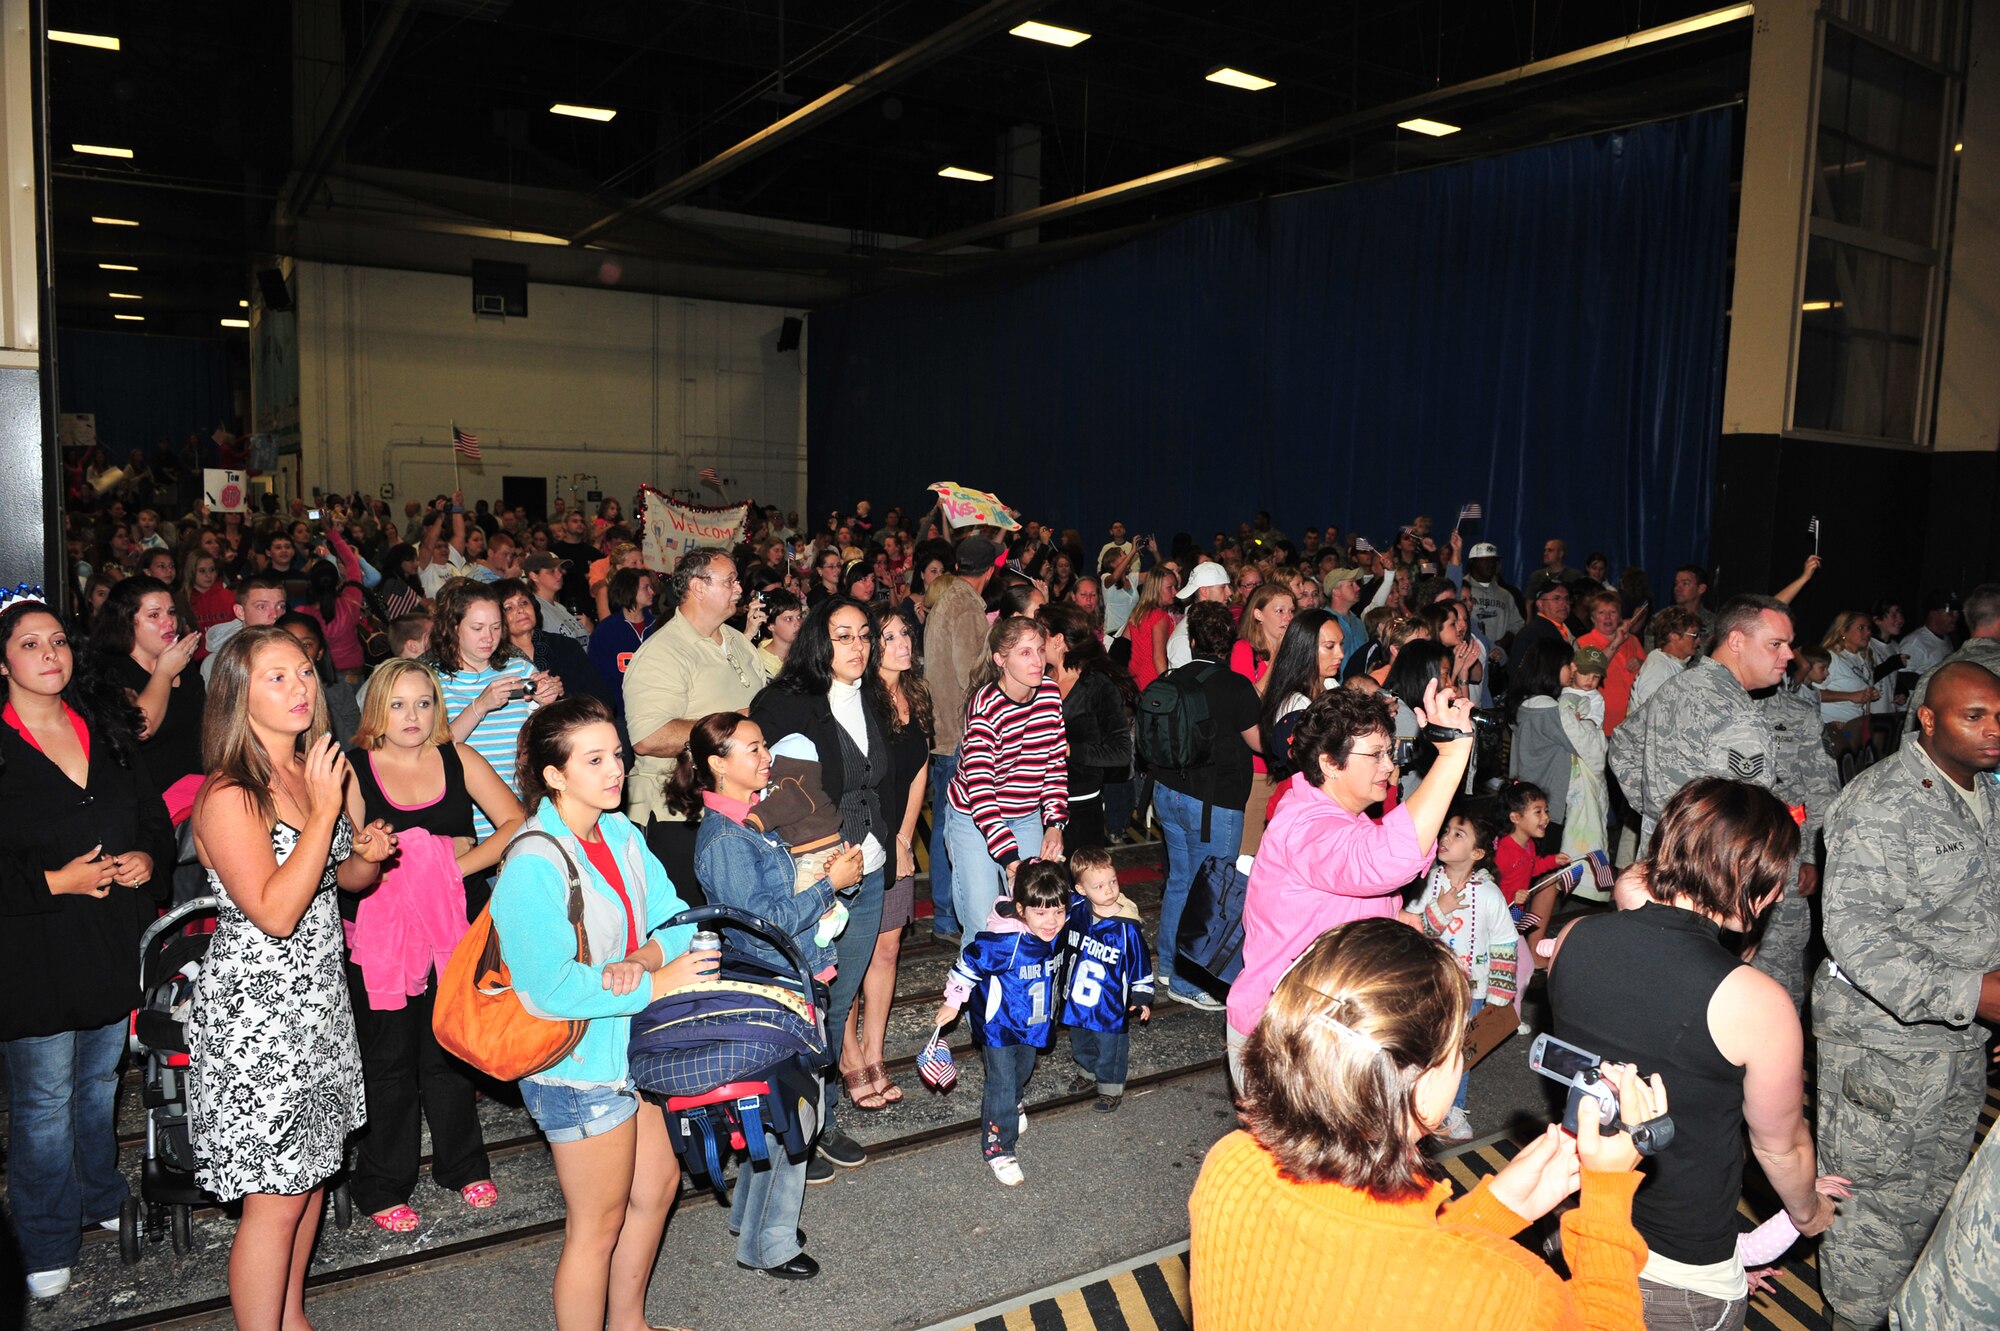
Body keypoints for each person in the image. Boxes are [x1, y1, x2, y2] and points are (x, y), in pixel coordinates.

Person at [1190, 917, 1661, 1331]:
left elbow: (1370, 1271)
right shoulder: (1516, 1294)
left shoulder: (1231, 1166)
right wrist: (1606, 1197)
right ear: (1423, 1084)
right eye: (1458, 1046)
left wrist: (1497, 1207)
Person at [1549, 778, 1838, 1330]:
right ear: (1744, 872)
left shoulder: (1574, 937)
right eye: (1774, 878)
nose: (1779, 896)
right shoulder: (1757, 1000)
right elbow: (1780, 1148)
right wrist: (1809, 1213)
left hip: (1587, 1221)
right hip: (1680, 1272)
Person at [186, 627, 398, 1331]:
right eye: (275, 677)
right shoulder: (230, 792)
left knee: (309, 1186)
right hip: (260, 1015)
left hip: (319, 1003)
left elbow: (340, 881)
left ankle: (291, 1317)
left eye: (304, 671)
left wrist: (366, 852)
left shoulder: (312, 768)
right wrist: (330, 813)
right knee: (274, 1202)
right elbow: (276, 912)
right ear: (238, 696)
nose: (300, 686)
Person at [491, 696, 710, 1331]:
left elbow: (676, 916)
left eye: (616, 754)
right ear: (553, 775)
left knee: (656, 1189)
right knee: (596, 1226)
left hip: (631, 1047)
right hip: (576, 1066)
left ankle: (629, 1323)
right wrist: (653, 984)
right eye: (594, 760)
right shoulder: (533, 861)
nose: (616, 769)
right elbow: (547, 989)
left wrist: (643, 959)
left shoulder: (619, 832)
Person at [1812, 661, 2000, 1330]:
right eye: (1974, 716)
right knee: (1871, 1211)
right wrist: (1973, 993)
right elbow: (1857, 939)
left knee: (1939, 1196)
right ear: (1928, 719)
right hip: (1884, 1049)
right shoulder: (1879, 802)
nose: (1993, 730)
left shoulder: (1987, 793)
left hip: (1961, 1043)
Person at [0, 601, 174, 1300]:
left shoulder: (103, 727)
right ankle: (43, 1236)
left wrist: (146, 857)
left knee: (100, 1083)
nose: (50, 654)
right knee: (43, 1100)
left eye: (58, 641)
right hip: (31, 950)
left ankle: (98, 1192)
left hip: (107, 939)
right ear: (2, 662)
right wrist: (53, 880)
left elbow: (153, 819)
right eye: (29, 644)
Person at [672, 713, 857, 1278]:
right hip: (776, 988)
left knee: (778, 1115)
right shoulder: (728, 838)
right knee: (795, 1116)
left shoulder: (749, 820)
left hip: (788, 981)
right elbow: (763, 925)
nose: (766, 757)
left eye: (763, 746)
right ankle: (769, 1246)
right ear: (717, 764)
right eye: (752, 749)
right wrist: (828, 885)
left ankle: (750, 1224)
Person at [342, 658, 523, 1232]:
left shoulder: (458, 757)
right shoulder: (353, 769)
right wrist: (410, 861)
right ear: (376, 709)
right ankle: (382, 1184)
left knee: (450, 1050)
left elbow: (516, 822)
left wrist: (452, 868)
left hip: (452, 927)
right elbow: (346, 859)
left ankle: (462, 1165)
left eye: (424, 703)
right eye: (398, 704)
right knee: (388, 1061)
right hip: (382, 933)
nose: (412, 716)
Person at [1225, 673, 1477, 1081]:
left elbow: (1342, 898)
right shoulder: (1306, 827)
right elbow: (1384, 860)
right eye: (1375, 755)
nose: (1389, 766)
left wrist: (1393, 922)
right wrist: (1450, 757)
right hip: (1287, 1040)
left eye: (1389, 752)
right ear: (1329, 763)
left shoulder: (1336, 814)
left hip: (1323, 1028)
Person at [748, 596, 895, 1171]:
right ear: (817, 640)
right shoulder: (784, 703)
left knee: (837, 1004)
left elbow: (881, 778)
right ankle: (796, 1131)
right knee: (804, 1006)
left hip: (869, 868)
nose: (857, 646)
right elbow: (761, 787)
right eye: (843, 635)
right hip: (813, 879)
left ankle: (822, 1121)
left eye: (864, 635)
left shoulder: (872, 695)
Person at [621, 546, 769, 900]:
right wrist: (733, 726)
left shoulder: (736, 640)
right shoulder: (663, 652)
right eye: (730, 581)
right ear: (698, 587)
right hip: (680, 816)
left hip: (738, 809)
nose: (739, 589)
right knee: (691, 924)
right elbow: (648, 737)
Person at [1145, 602, 1260, 1012]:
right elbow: (1259, 742)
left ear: (1192, 640)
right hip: (1214, 804)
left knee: (1180, 880)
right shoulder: (1236, 686)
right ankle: (1187, 982)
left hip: (1167, 793)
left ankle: (1167, 965)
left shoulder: (1173, 678)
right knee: (1210, 892)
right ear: (1230, 644)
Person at [1609, 594, 1794, 849]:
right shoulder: (1739, 714)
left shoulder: (1677, 685)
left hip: (1660, 855)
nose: (1789, 654)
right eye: (1776, 644)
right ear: (1736, 641)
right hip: (1708, 865)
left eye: (1788, 644)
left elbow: (1622, 743)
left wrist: (1658, 811)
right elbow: (1748, 824)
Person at [936, 860, 1071, 1187]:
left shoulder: (1057, 930)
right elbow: (970, 961)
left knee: (1022, 1071)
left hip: (1033, 1021)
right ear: (1021, 910)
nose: (1051, 921)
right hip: (1000, 1025)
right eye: (1041, 912)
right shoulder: (1006, 943)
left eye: (1058, 911)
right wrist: (953, 1000)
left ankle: (1012, 1101)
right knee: (1001, 1082)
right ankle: (999, 1148)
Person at [942, 613, 1068, 943]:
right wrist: (1011, 859)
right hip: (974, 819)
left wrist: (1055, 823)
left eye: (1039, 650)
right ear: (1001, 660)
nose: (1038, 661)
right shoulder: (985, 707)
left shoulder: (1050, 695)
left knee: (1036, 915)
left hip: (1025, 814)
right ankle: (976, 979)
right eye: (1025, 653)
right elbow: (981, 792)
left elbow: (1055, 764)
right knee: (983, 926)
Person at [853, 602, 932, 1103]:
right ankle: (849, 1056)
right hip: (859, 840)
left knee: (886, 949)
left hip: (897, 840)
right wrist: (884, 841)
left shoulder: (915, 693)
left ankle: (875, 1052)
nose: (903, 643)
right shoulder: (857, 698)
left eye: (906, 633)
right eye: (890, 636)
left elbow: (920, 767)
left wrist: (904, 839)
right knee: (850, 953)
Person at [1410, 807, 1519, 1141]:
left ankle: (1453, 1107)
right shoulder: (1427, 882)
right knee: (1422, 1044)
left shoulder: (1488, 894)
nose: (1445, 838)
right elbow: (1413, 929)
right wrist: (1439, 910)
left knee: (1460, 1052)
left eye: (1458, 835)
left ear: (1477, 853)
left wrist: (1500, 991)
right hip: (1429, 985)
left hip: (1472, 990)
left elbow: (1505, 940)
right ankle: (1415, 1100)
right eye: (1446, 831)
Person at [430, 580, 562, 839]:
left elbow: (550, 742)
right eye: (477, 628)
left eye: (496, 627)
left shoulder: (520, 670)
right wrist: (480, 706)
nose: (489, 637)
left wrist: (547, 704)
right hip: (466, 825)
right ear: (453, 627)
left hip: (527, 815)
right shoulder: (433, 681)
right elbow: (432, 754)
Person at [1753, 645, 1840, 1012]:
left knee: (1781, 960)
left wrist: (1812, 858)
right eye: (1774, 645)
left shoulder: (1799, 715)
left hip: (1783, 858)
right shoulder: (1710, 706)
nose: (1785, 655)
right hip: (1718, 857)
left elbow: (1822, 791)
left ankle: (1781, 1039)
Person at [94, 574, 206, 801]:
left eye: (171, 612)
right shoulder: (108, 669)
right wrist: (164, 673)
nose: (169, 622)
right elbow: (141, 729)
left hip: (197, 792)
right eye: (154, 615)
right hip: (148, 801)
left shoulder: (182, 663)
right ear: (126, 621)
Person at [1059, 845, 1152, 1112]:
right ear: (1081, 889)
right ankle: (1087, 1071)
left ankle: (1111, 1087)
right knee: (1081, 1039)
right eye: (1099, 886)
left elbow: (1139, 963)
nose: (1109, 890)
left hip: (1109, 1003)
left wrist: (1142, 996)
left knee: (1111, 1047)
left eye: (1112, 881)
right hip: (1077, 997)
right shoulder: (1077, 909)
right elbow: (1054, 896)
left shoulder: (1126, 927)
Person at [1038, 601, 1132, 851]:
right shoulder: (1037, 680)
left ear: (1058, 639)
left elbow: (1121, 752)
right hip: (1036, 805)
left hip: (1080, 807)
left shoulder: (1096, 685)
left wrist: (1068, 749)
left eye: (1040, 632)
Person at [1230, 583, 1295, 852]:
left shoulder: (1294, 653)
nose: (1287, 617)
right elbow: (1248, 702)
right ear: (1258, 614)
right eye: (1279, 611)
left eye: (1291, 611)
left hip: (1289, 766)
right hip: (1256, 767)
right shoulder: (1244, 650)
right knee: (1250, 850)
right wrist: (1277, 657)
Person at [1258, 608, 1344, 781]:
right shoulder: (1294, 705)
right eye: (1330, 646)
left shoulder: (1331, 685)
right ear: (1305, 648)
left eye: (1341, 644)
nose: (1340, 654)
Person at [1901, 584, 2000, 731]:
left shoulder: (1947, 646)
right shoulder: (1915, 644)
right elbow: (1902, 679)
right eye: (1950, 610)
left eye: (1957, 611)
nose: (1955, 616)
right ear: (1933, 613)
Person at [587, 566, 654, 712]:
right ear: (630, 590)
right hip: (620, 711)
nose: (652, 592)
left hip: (657, 708)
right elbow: (597, 676)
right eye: (646, 588)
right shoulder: (605, 632)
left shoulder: (658, 626)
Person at [1820, 611, 1881, 762]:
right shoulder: (1832, 657)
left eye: (1869, 628)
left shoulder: (1862, 658)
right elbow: (1811, 692)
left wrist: (1869, 694)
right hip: (1834, 731)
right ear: (1843, 631)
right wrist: (1850, 696)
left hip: (1855, 730)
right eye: (1861, 628)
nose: (1868, 632)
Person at [1627, 606, 1703, 716]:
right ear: (1674, 636)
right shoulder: (1658, 670)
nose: (1699, 640)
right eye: (1694, 635)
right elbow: (1652, 716)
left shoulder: (1668, 663)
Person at [1121, 564, 1178, 692]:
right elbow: (1158, 657)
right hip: (1153, 679)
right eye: (1169, 588)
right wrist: (1167, 687)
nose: (1175, 592)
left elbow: (1125, 643)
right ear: (1156, 589)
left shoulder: (1138, 612)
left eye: (1175, 587)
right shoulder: (1160, 617)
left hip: (1135, 677)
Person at [1167, 560, 1231, 669]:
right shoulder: (1183, 638)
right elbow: (1183, 678)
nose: (1229, 593)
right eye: (1223, 587)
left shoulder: (1219, 624)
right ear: (1204, 591)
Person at [524, 553, 591, 642]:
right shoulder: (534, 608)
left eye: (560, 570)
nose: (559, 575)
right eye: (552, 571)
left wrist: (589, 630)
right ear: (534, 576)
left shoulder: (560, 608)